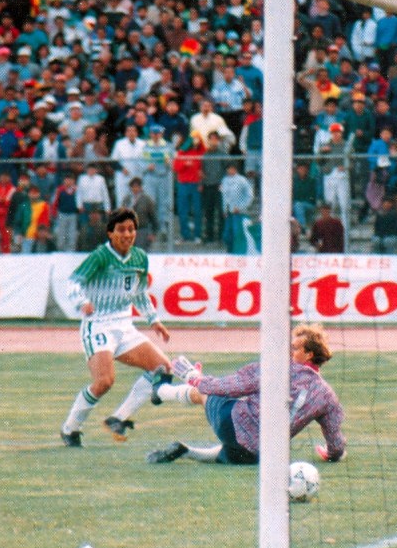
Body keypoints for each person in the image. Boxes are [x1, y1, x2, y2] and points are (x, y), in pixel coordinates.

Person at [146, 323, 346, 466]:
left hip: (230, 425)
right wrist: (331, 453)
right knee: (242, 446)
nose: (288, 351)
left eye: (293, 348)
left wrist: (196, 379)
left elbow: (234, 386)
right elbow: (336, 442)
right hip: (262, 453)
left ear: (309, 354)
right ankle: (188, 452)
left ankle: (161, 391)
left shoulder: (279, 368)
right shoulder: (327, 396)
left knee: (205, 394)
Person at [61, 208, 171, 447]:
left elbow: (139, 292)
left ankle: (119, 418)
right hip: (98, 325)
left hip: (124, 326)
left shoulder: (140, 257)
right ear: (110, 233)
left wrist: (154, 320)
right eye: (121, 230)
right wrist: (82, 302)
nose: (127, 234)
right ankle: (70, 428)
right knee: (104, 382)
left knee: (162, 368)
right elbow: (73, 283)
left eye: (131, 229)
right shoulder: (100, 256)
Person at [121, 177, 158, 250]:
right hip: (129, 230)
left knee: (140, 251)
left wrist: (153, 233)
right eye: (133, 187)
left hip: (142, 230)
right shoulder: (126, 200)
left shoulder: (147, 200)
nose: (135, 189)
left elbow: (153, 218)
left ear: (140, 187)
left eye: (137, 187)